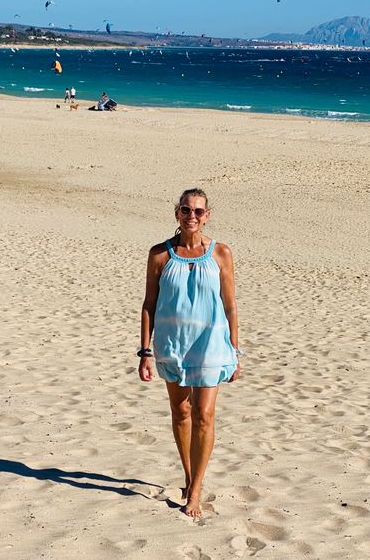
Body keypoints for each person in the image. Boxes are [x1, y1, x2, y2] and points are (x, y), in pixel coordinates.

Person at [139, 188, 242, 519]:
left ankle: (195, 491)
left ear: (207, 215)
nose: (192, 216)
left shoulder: (221, 253)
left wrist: (235, 349)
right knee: (181, 412)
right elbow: (149, 304)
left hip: (211, 344)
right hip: (173, 343)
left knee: (205, 414)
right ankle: (188, 476)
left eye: (198, 211)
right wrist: (144, 351)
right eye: (186, 210)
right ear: (177, 213)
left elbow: (230, 304)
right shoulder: (160, 255)